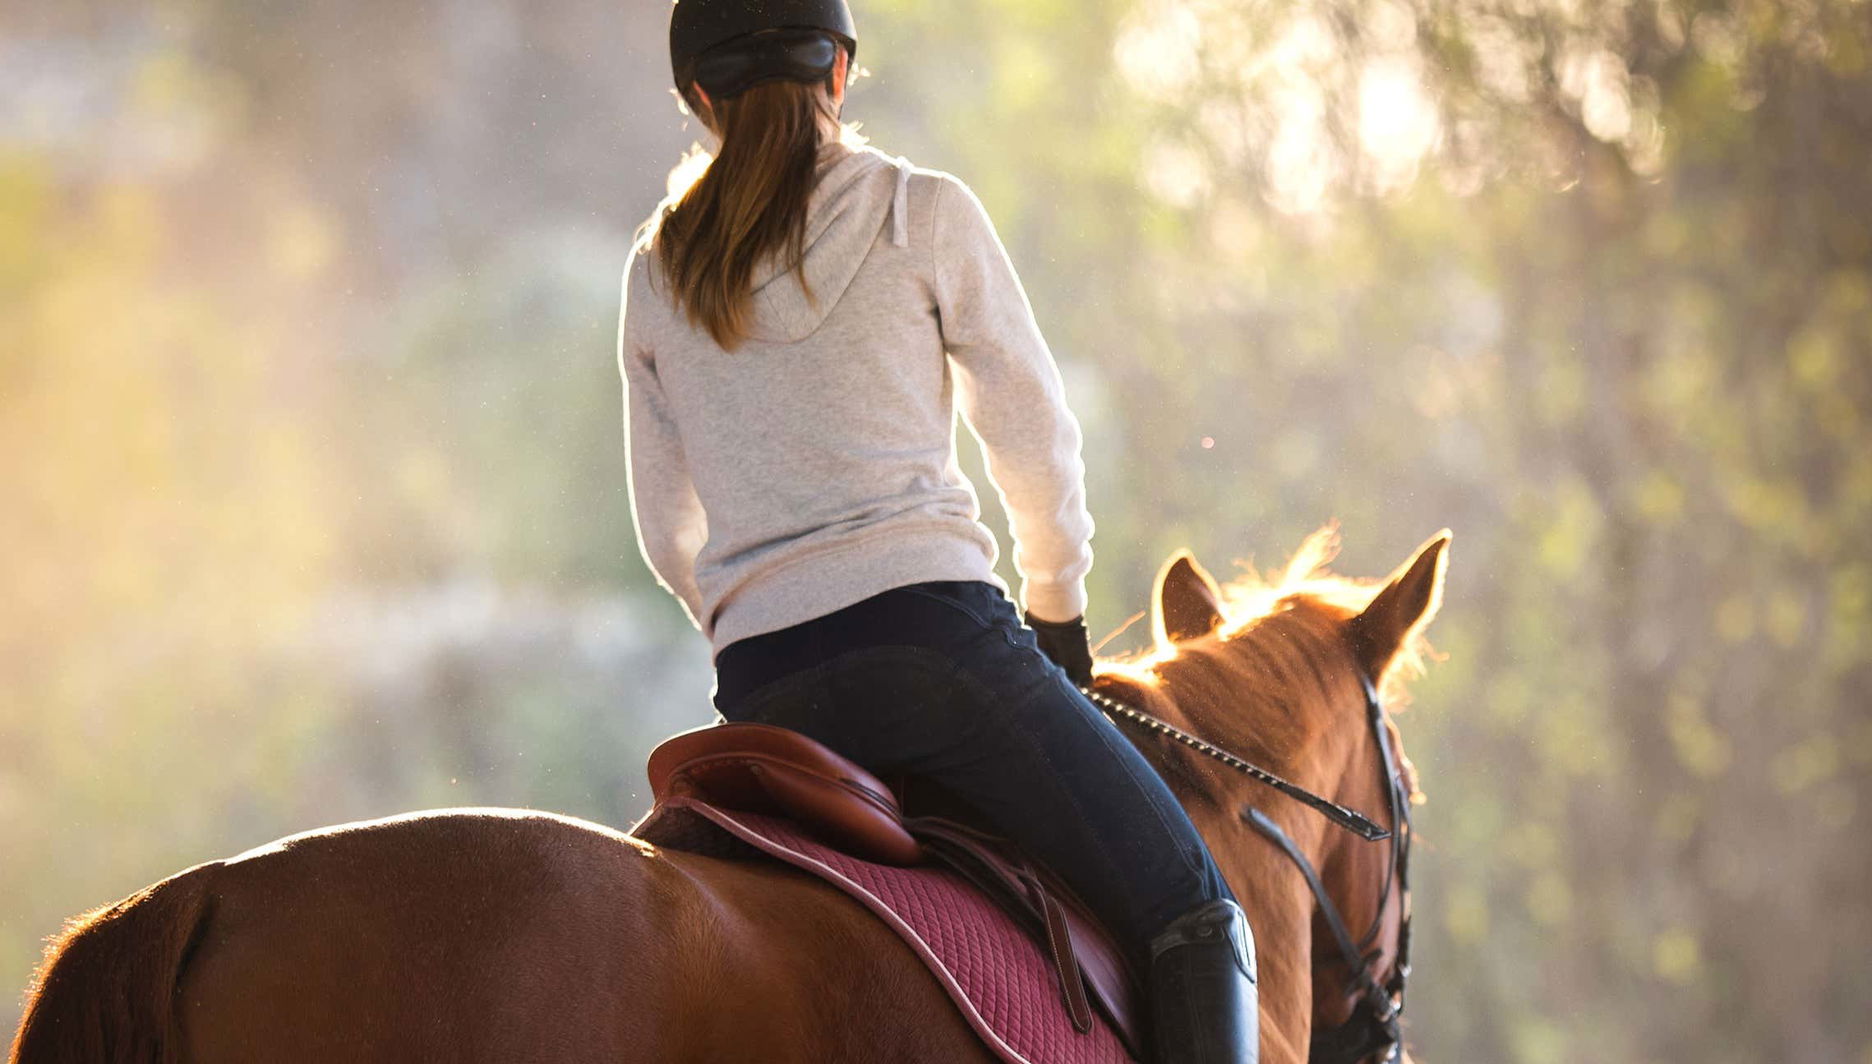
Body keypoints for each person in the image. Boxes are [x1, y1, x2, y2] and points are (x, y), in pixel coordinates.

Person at [619, 2, 1259, 1059]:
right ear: (839, 75)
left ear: (700, 99)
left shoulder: (656, 273)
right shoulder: (922, 213)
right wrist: (1056, 613)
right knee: (1195, 908)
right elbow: (1035, 438)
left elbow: (663, 531)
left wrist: (756, 613)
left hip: (763, 693)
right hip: (940, 656)